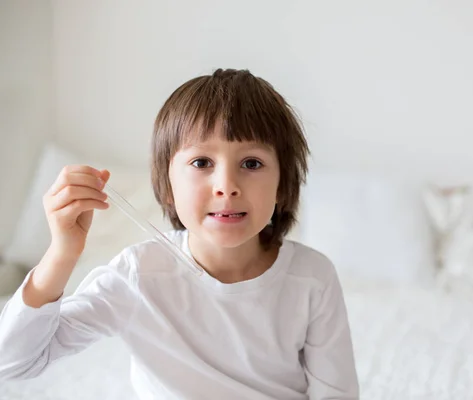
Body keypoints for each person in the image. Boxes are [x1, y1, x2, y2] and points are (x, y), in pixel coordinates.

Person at [0, 69, 359, 399]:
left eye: (251, 163)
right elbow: (14, 363)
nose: (226, 186)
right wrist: (61, 254)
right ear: (167, 186)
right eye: (202, 163)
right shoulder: (137, 276)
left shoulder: (312, 278)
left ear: (283, 185)